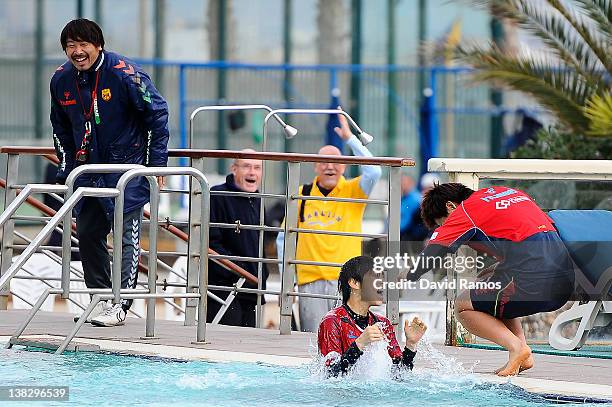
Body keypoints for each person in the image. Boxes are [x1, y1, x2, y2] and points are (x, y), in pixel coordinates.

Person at [50, 19, 169, 326]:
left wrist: (155, 165)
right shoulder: (61, 79)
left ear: (98, 45)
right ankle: (101, 296)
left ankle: (121, 303)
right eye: (71, 46)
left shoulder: (124, 73)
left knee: (128, 237)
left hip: (125, 170)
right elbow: (60, 127)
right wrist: (67, 169)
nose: (77, 52)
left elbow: (157, 113)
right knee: (88, 233)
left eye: (83, 45)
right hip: (87, 171)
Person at [409, 183, 575, 376]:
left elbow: (433, 251)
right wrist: (496, 268)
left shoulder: (465, 211)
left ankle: (517, 348)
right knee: (494, 281)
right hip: (565, 281)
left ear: (450, 206)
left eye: (443, 223)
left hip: (535, 282)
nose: (446, 228)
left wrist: (407, 274)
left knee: (462, 306)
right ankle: (523, 354)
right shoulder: (508, 193)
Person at [276, 112, 382, 333]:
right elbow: (283, 239)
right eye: (324, 161)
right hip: (309, 281)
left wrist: (349, 138)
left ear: (344, 166)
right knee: (314, 338)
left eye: (336, 161)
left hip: (348, 281)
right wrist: (287, 281)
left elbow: (374, 170)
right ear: (315, 166)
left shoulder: (354, 191)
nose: (330, 166)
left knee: (350, 338)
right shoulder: (301, 194)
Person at [318, 256, 427, 376]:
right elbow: (330, 375)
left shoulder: (383, 323)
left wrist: (410, 346)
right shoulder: (332, 322)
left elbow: (398, 375)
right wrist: (359, 344)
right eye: (375, 277)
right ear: (354, 283)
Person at [207, 150, 269, 327]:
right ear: (234, 169)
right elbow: (210, 242)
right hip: (224, 289)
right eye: (246, 166)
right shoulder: (217, 196)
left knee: (249, 347)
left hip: (252, 289)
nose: (252, 172)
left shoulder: (259, 199)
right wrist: (239, 269)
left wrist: (261, 275)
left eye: (257, 167)